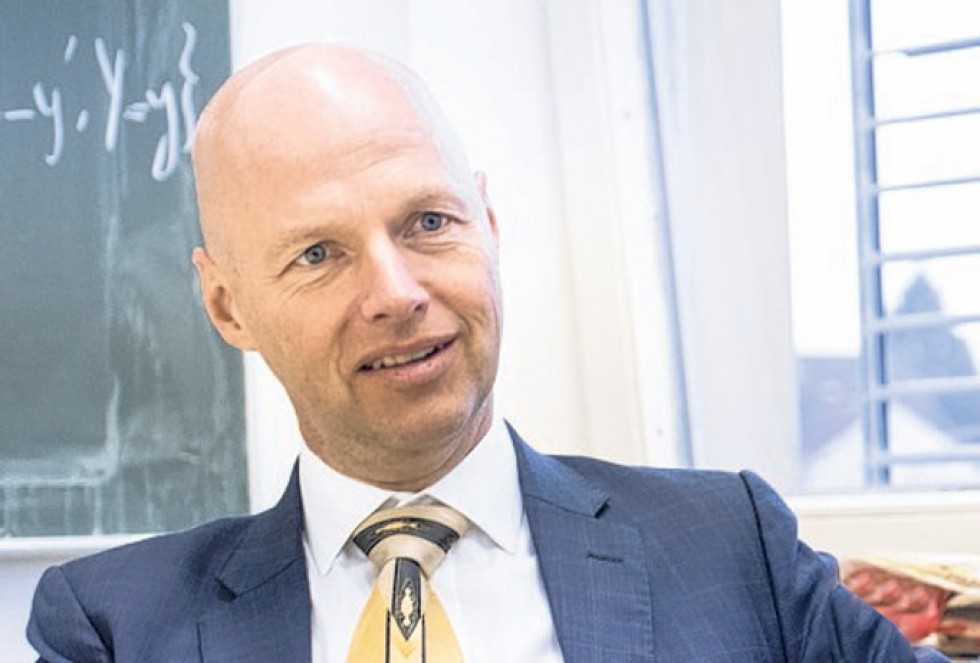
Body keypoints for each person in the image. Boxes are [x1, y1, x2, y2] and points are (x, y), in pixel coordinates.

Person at [27, 43, 948, 662]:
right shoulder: (114, 626)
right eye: (318, 254)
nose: (396, 292)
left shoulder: (730, 545)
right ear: (228, 305)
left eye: (428, 222)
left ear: (489, 224)